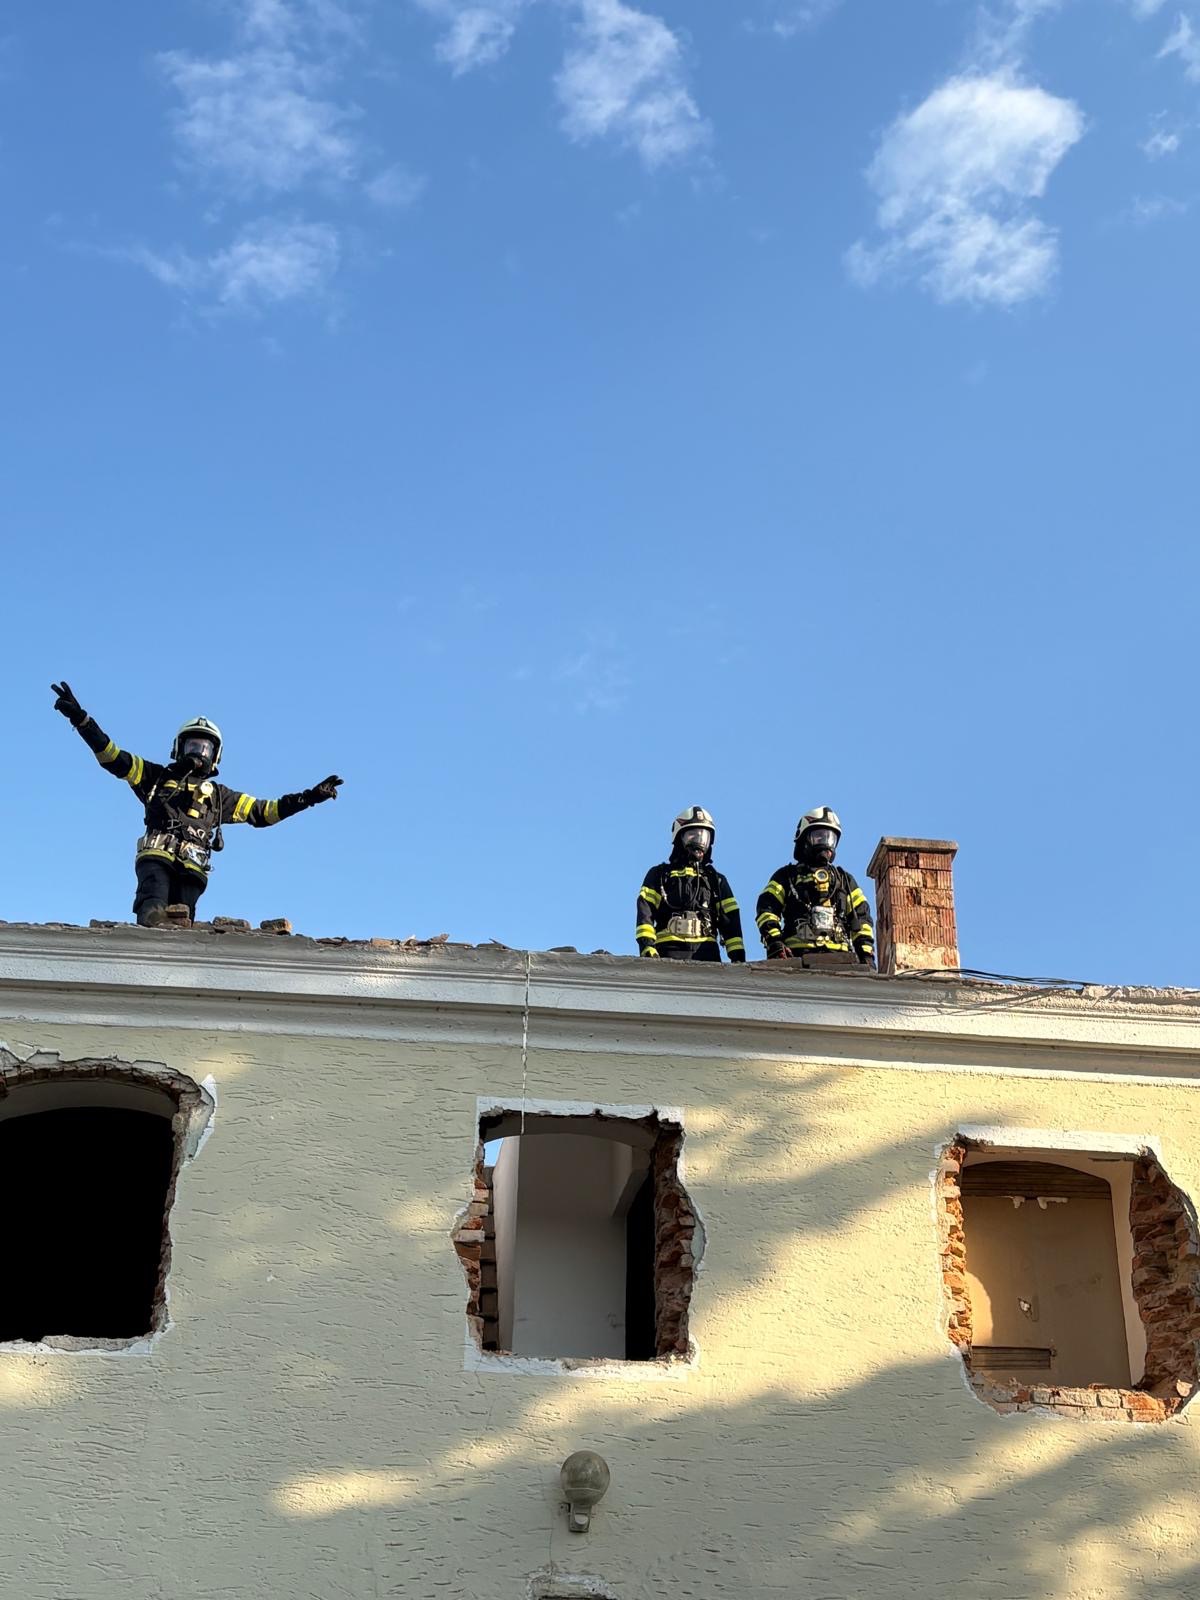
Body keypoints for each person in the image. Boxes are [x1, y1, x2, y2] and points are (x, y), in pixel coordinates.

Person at [50, 681, 343, 927]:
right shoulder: (155, 777)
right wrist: (82, 721)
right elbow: (112, 757)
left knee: (183, 922)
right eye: (193, 745)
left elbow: (265, 812)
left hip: (193, 868)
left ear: (215, 756)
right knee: (153, 912)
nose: (198, 753)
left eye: (205, 748)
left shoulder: (219, 796)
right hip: (156, 858)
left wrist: (308, 798)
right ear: (179, 748)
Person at [756, 806, 875, 965]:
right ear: (804, 839)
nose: (826, 842)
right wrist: (774, 942)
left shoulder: (844, 880)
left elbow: (862, 918)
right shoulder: (787, 876)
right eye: (819, 836)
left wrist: (866, 954)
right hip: (796, 957)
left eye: (830, 837)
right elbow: (767, 909)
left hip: (841, 959)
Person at [636, 807, 746, 963]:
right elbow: (645, 911)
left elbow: (731, 920)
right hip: (667, 952)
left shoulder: (716, 880)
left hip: (708, 955)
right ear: (679, 838)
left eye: (704, 837)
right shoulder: (659, 875)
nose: (699, 842)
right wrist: (647, 946)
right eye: (693, 835)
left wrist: (738, 958)